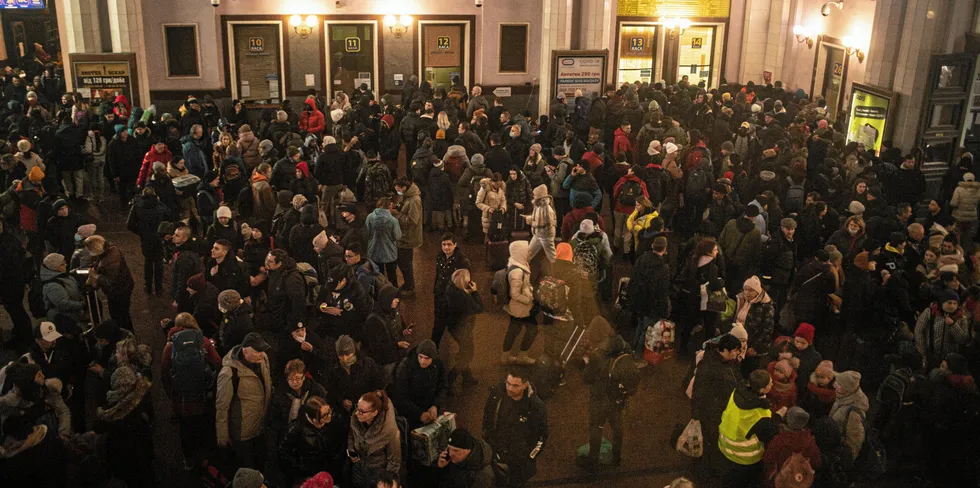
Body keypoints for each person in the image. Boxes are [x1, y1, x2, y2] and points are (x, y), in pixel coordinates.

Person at [159, 313, 221, 471]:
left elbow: (164, 373)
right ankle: (208, 460)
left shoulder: (170, 346)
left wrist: (172, 394)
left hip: (182, 401)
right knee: (204, 425)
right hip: (202, 397)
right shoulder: (204, 342)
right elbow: (219, 364)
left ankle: (189, 460)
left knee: (185, 430)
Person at [482, 366, 548, 488]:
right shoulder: (498, 394)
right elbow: (488, 416)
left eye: (515, 386)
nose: (510, 388)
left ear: (525, 385)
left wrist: (530, 457)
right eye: (508, 383)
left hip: (519, 461)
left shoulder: (535, 406)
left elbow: (542, 436)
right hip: (496, 453)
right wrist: (487, 441)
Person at [216, 332, 273, 469]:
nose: (261, 354)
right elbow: (222, 407)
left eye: (262, 350)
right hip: (243, 433)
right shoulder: (229, 373)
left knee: (261, 463)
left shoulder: (263, 359)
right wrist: (223, 438)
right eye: (257, 351)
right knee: (248, 467)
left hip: (261, 425)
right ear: (245, 351)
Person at [717, 369, 782, 487]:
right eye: (770, 383)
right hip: (744, 458)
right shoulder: (760, 414)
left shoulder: (737, 393)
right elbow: (768, 435)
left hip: (724, 444)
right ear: (762, 389)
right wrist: (777, 417)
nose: (772, 384)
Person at [94, 365, 155, 488]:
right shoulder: (140, 405)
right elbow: (148, 445)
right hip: (142, 462)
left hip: (119, 463)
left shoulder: (109, 415)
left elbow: (97, 427)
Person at [580, 335, 632, 470]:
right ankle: (616, 458)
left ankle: (593, 460)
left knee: (596, 428)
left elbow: (587, 379)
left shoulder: (597, 357)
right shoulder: (626, 358)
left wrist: (588, 363)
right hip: (617, 401)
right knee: (617, 429)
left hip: (599, 400)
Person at [279, 395, 347, 486]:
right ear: (313, 419)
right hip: (306, 476)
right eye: (324, 415)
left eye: (329, 411)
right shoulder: (296, 429)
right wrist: (301, 471)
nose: (329, 416)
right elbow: (284, 455)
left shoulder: (334, 422)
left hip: (328, 473)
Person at [626, 236, 670, 357]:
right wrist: (664, 311)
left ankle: (632, 349)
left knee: (640, 326)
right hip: (652, 305)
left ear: (652, 246)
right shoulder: (664, 268)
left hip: (639, 299)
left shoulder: (641, 259)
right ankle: (637, 356)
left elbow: (633, 279)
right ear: (665, 249)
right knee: (646, 331)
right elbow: (662, 293)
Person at [348, 390, 401, 488]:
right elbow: (351, 435)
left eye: (362, 411)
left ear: (374, 413)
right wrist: (352, 450)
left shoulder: (389, 431)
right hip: (359, 470)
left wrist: (385, 483)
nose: (357, 413)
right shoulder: (356, 420)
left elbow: (393, 462)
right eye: (357, 408)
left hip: (378, 477)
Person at [394, 340, 449, 429]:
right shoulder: (406, 366)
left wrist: (435, 405)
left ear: (433, 358)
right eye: (420, 357)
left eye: (427, 358)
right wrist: (419, 414)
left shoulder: (438, 364)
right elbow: (401, 396)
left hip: (431, 409)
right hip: (411, 412)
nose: (423, 361)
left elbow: (443, 386)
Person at [85, 235, 135, 331]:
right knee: (124, 314)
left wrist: (96, 276)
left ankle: (125, 335)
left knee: (119, 316)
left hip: (118, 292)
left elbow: (111, 281)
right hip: (123, 287)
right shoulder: (110, 250)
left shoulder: (110, 261)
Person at [762, 406, 821, 487]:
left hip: (782, 481)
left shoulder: (778, 441)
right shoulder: (810, 442)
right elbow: (816, 463)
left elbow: (768, 461)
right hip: (799, 483)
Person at [126, 187, 170, 295]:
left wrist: (140, 232)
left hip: (146, 238)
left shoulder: (137, 207)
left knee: (148, 261)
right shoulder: (160, 206)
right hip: (159, 237)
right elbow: (169, 217)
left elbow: (129, 225)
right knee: (159, 263)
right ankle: (159, 288)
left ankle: (148, 286)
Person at [362, 285, 410, 380]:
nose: (397, 301)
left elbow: (398, 325)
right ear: (386, 300)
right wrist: (397, 344)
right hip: (385, 360)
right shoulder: (374, 321)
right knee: (385, 379)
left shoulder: (393, 309)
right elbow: (377, 347)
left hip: (396, 354)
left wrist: (404, 331)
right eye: (394, 298)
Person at [915, 289, 971, 369]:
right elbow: (919, 330)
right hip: (930, 354)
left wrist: (953, 325)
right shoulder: (930, 312)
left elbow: (963, 339)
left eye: (955, 303)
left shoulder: (961, 317)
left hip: (949, 360)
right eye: (949, 303)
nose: (952, 306)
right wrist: (922, 353)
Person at [328, 335, 386, 412]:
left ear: (354, 351)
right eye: (341, 355)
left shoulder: (367, 364)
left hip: (367, 408)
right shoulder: (333, 367)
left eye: (347, 354)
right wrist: (342, 401)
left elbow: (378, 384)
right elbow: (332, 390)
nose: (345, 359)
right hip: (346, 411)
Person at [501, 240, 537, 365]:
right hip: (520, 308)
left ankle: (506, 356)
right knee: (532, 329)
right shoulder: (517, 271)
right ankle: (521, 355)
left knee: (514, 330)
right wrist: (529, 299)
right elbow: (515, 294)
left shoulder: (518, 263)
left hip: (517, 308)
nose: (530, 253)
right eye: (527, 251)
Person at [433, 233, 471, 345]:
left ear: (455, 245)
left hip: (453, 300)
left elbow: (465, 283)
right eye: (443, 244)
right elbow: (438, 275)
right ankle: (433, 351)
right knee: (437, 327)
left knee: (455, 330)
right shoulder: (440, 257)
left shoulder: (462, 261)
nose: (446, 247)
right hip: (440, 298)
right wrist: (435, 290)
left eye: (449, 244)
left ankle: (466, 351)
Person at [828, 370, 869, 462]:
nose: (834, 385)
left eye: (839, 384)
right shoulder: (844, 397)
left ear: (847, 388)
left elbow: (854, 442)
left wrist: (846, 461)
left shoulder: (854, 413)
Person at [393, 177, 422, 296]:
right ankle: (407, 283)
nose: (397, 191)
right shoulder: (408, 197)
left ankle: (410, 287)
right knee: (404, 262)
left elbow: (412, 220)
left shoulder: (414, 199)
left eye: (398, 189)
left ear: (405, 187)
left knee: (405, 263)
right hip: (404, 235)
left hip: (408, 236)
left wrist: (397, 215)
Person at [365, 196, 402, 285]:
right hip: (390, 252)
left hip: (374, 250)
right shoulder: (393, 221)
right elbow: (397, 236)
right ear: (390, 206)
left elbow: (367, 233)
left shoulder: (370, 217)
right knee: (392, 275)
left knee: (378, 276)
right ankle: (393, 294)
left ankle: (379, 294)